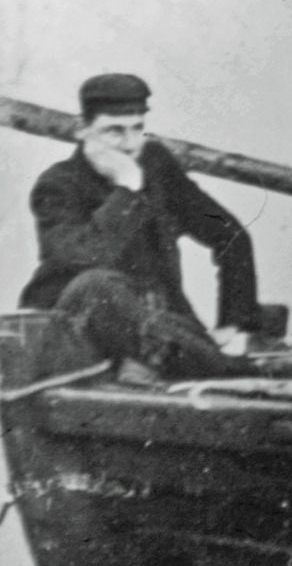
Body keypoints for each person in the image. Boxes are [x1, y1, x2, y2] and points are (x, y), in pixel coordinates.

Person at [21, 74, 273, 380]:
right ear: (82, 129)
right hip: (77, 339)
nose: (130, 145)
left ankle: (214, 362)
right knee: (94, 285)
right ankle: (227, 369)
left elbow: (228, 233)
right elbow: (86, 258)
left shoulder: (155, 164)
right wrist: (127, 188)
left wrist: (234, 322)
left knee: (167, 320)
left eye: (137, 129)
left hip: (156, 330)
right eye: (114, 131)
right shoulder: (57, 185)